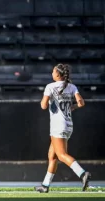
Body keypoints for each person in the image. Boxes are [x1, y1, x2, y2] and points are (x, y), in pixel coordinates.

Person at [34, 64, 91, 193]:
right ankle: (45, 185)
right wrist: (72, 107)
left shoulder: (50, 86)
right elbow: (81, 103)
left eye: (53, 71)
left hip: (57, 125)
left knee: (61, 155)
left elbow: (43, 106)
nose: (51, 73)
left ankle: (82, 173)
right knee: (52, 156)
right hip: (68, 124)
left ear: (58, 75)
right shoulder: (72, 86)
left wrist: (46, 101)